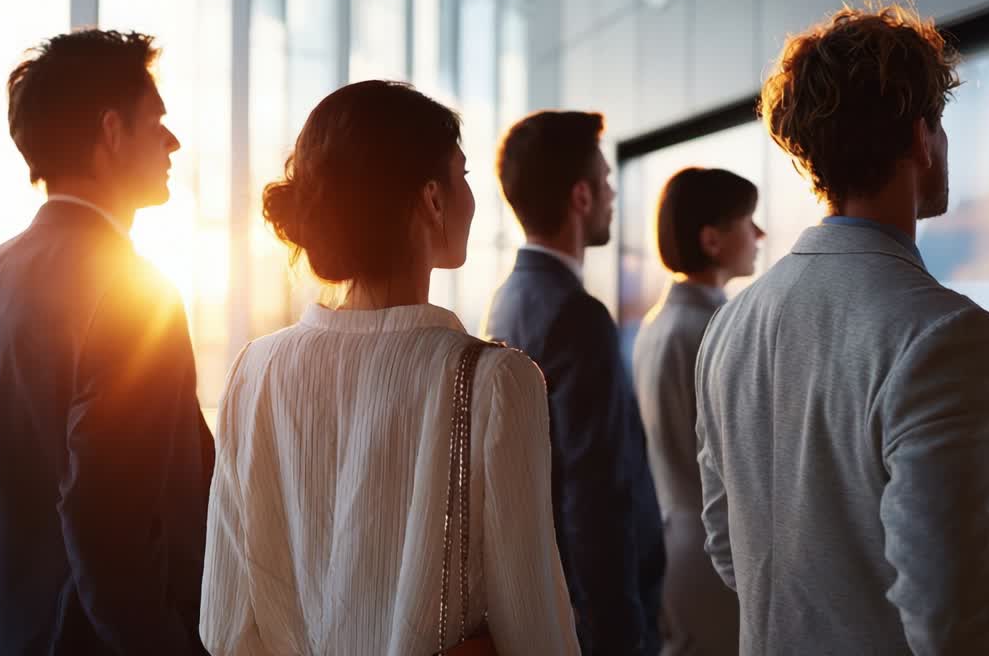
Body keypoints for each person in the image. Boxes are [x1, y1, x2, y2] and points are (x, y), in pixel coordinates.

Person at [694, 3, 989, 655]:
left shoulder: (731, 323)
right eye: (939, 126)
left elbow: (727, 545)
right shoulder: (947, 335)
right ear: (919, 136)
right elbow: (954, 617)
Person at [198, 81, 579, 656]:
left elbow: (223, 625)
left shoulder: (256, 371)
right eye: (464, 175)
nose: (472, 199)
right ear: (431, 199)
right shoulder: (494, 382)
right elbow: (536, 632)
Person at [0, 29, 214, 654]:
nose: (172, 142)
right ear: (111, 132)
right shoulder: (134, 292)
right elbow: (106, 522)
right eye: (156, 121)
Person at [484, 110, 665, 655]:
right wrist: (619, 630)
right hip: (595, 615)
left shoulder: (510, 298)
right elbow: (595, 489)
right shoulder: (578, 314)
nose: (613, 194)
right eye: (606, 182)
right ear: (581, 198)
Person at [632, 167, 762, 655]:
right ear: (712, 239)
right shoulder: (713, 328)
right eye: (749, 221)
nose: (760, 234)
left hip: (674, 539)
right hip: (716, 552)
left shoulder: (656, 324)